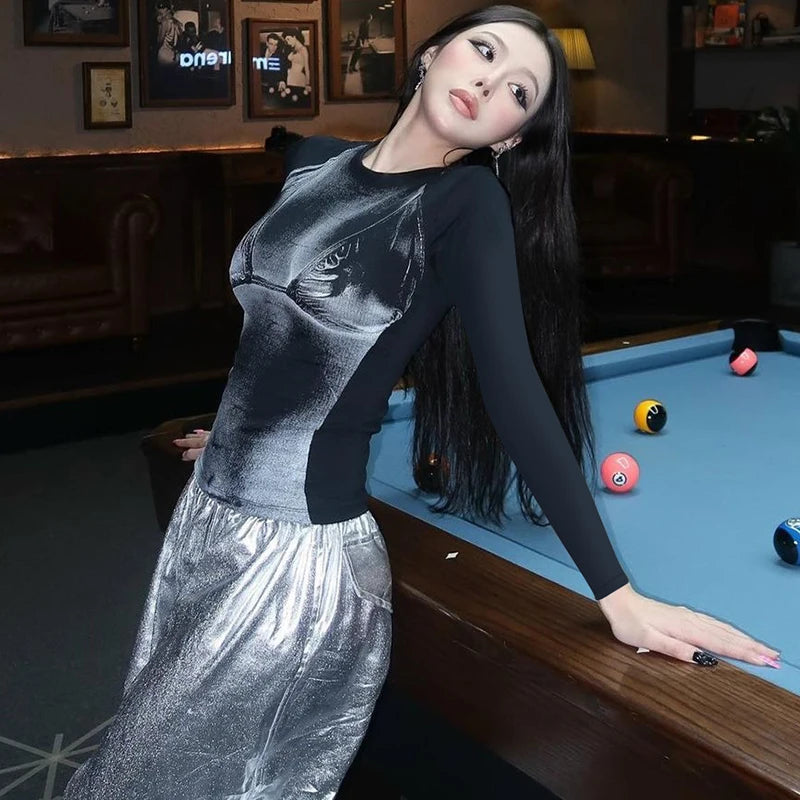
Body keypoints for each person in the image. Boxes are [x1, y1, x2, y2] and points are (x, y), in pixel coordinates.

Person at [63, 5, 780, 799]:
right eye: (483, 51)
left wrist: (618, 595)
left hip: (296, 560)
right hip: (210, 517)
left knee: (144, 778)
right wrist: (237, 437)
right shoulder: (313, 159)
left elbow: (515, 396)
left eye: (519, 92)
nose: (490, 83)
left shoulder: (466, 205)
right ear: (432, 54)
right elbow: (276, 328)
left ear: (510, 138)